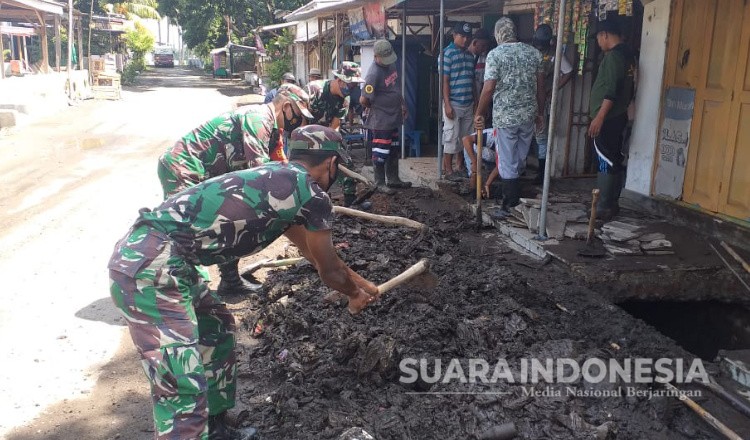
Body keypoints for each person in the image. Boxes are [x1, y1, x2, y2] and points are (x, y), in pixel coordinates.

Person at [109, 125, 378, 440]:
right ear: (332, 163)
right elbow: (329, 271)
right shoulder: (312, 195)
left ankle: (216, 428)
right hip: (152, 265)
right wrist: (353, 294)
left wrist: (361, 285)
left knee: (216, 325)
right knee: (182, 384)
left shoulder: (281, 180)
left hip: (162, 255)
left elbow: (312, 253)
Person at [157, 83, 314, 296]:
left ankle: (229, 281)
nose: (300, 121)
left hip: (209, 173)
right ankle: (189, 292)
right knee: (189, 229)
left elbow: (283, 169)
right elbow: (261, 175)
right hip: (184, 167)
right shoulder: (258, 118)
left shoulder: (274, 131)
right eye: (299, 114)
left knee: (230, 222)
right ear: (287, 106)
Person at [475, 17, 544, 216]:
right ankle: (515, 202)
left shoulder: (495, 55)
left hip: (505, 118)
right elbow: (541, 88)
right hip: (528, 116)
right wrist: (540, 113)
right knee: (520, 160)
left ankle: (509, 205)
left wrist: (479, 112)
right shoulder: (534, 54)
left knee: (506, 161)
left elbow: (488, 89)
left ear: (498, 35)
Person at [588, 19, 635, 220]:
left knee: (605, 159)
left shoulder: (615, 57)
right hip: (617, 115)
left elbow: (611, 91)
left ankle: (604, 205)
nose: (598, 42)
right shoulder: (627, 55)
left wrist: (599, 117)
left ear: (605, 34)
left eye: (598, 37)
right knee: (613, 158)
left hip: (609, 118)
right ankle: (610, 204)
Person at [307, 61, 365, 206]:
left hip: (326, 133)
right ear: (340, 80)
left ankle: (351, 201)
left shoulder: (345, 100)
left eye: (355, 86)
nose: (352, 89)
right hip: (305, 134)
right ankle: (308, 201)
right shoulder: (314, 90)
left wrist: (331, 146)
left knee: (346, 161)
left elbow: (335, 125)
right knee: (306, 167)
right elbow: (301, 117)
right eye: (351, 85)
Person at [360, 39, 411, 193]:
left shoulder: (391, 64)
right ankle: (379, 182)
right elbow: (363, 99)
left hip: (394, 115)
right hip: (381, 119)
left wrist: (403, 104)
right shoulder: (373, 73)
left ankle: (394, 179)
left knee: (393, 147)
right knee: (381, 150)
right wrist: (378, 108)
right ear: (376, 57)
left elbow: (395, 88)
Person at [532, 24, 574, 184]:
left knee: (541, 136)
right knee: (524, 134)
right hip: (527, 99)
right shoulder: (530, 51)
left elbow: (569, 71)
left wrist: (553, 90)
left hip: (543, 100)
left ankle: (541, 173)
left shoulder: (555, 54)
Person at [441, 22, 476, 181]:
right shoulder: (446, 54)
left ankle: (460, 166)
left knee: (466, 137)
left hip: (468, 102)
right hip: (453, 102)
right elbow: (445, 81)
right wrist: (447, 103)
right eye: (462, 36)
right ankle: (448, 170)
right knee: (451, 136)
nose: (465, 39)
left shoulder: (470, 56)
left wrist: (475, 102)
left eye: (468, 37)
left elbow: (472, 80)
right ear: (454, 35)